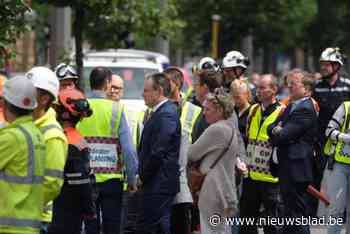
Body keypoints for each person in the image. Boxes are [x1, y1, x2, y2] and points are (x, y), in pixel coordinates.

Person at [77, 66, 138, 234]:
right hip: (112, 180)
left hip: (86, 178)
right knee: (113, 225)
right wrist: (132, 179)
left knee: (90, 226)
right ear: (107, 84)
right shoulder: (116, 109)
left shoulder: (81, 108)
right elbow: (128, 149)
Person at [268, 69, 318, 234]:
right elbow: (271, 128)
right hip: (288, 168)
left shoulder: (305, 109)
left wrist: (278, 130)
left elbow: (284, 134)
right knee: (289, 214)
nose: (289, 87)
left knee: (297, 216)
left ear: (307, 89)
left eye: (294, 84)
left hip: (297, 169)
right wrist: (277, 130)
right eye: (289, 83)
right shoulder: (291, 106)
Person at [188, 89, 243, 234]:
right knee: (222, 229)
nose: (204, 112)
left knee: (212, 230)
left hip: (213, 191)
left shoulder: (216, 129)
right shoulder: (229, 128)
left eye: (207, 109)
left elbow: (192, 153)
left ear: (219, 110)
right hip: (224, 189)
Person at [136, 72, 181, 234]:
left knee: (147, 226)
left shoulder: (167, 113)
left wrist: (142, 176)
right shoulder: (160, 112)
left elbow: (158, 151)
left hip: (159, 183)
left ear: (159, 91)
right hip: (156, 182)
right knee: (159, 227)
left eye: (147, 90)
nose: (143, 94)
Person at [0, 76, 46, 234]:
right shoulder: (36, 134)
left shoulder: (11, 137)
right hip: (29, 224)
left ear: (4, 103)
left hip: (9, 225)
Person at [240, 74, 284, 234]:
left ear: (274, 90)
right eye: (257, 87)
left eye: (262, 87)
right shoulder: (253, 110)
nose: (258, 91)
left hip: (271, 178)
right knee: (246, 222)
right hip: (250, 176)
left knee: (272, 224)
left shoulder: (282, 112)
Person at [26, 66, 68, 233]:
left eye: (29, 91)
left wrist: (20, 203)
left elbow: (51, 184)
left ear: (43, 99)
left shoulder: (52, 134)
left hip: (36, 219)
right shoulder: (23, 124)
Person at [48, 88, 95, 234]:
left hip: (61, 211)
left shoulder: (62, 140)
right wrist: (89, 209)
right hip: (73, 211)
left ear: (64, 113)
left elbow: (80, 182)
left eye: (56, 108)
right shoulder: (78, 139)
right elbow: (86, 181)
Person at [163, 67, 202, 234]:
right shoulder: (155, 109)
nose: (161, 86)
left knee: (182, 225)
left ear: (177, 84)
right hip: (162, 178)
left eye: (165, 83)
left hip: (185, 180)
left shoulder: (194, 111)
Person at [192, 70, 222, 143]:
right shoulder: (207, 108)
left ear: (204, 88)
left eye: (196, 85)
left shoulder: (214, 111)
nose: (193, 89)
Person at [231, 79, 253, 147]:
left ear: (247, 95)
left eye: (238, 97)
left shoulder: (253, 112)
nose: (235, 100)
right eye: (233, 97)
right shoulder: (231, 111)